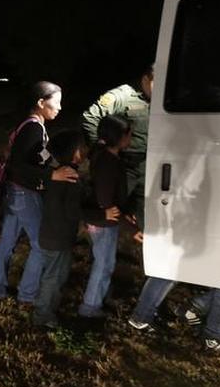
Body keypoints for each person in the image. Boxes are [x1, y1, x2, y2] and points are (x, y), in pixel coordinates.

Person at [0, 81, 78, 304]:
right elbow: (18, 164)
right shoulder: (34, 127)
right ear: (41, 102)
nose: (60, 107)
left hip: (15, 193)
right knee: (41, 245)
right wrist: (52, 176)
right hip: (25, 194)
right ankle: (28, 294)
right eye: (57, 102)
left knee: (6, 244)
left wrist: (56, 166)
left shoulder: (30, 125)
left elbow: (35, 156)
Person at [31, 131, 111, 328]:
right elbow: (73, 211)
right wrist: (102, 216)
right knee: (54, 277)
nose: (84, 151)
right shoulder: (70, 177)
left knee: (50, 274)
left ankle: (43, 309)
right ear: (72, 152)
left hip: (49, 233)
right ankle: (43, 315)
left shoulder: (58, 173)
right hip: (59, 238)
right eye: (80, 147)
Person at [80, 63, 154, 226]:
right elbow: (91, 117)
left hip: (149, 164)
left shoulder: (162, 97)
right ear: (145, 79)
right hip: (124, 165)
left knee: (145, 209)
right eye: (156, 84)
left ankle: (143, 239)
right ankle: (100, 238)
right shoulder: (122, 95)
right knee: (108, 206)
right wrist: (99, 150)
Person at [78, 115, 136, 318]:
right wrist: (131, 228)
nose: (131, 139)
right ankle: (90, 307)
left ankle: (95, 301)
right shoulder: (107, 162)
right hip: (102, 222)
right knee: (104, 263)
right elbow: (106, 202)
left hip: (103, 219)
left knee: (104, 262)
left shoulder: (104, 156)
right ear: (118, 137)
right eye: (129, 135)